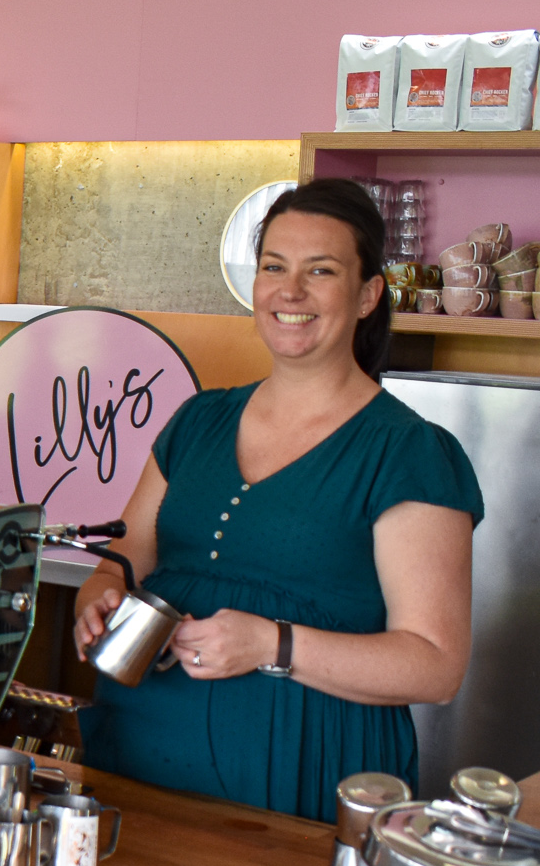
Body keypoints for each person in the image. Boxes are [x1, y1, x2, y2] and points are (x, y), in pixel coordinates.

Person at [73, 179, 481, 822]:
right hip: (136, 751)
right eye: (274, 268)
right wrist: (95, 597)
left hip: (300, 769)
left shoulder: (408, 453)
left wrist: (273, 645)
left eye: (320, 271)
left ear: (368, 294)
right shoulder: (197, 421)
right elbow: (121, 563)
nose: (290, 292)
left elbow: (434, 665)